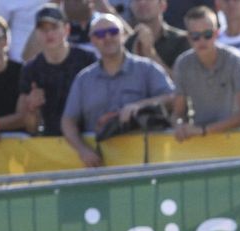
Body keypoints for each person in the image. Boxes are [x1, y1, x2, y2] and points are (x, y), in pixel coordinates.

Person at [60, 13, 174, 165]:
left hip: (143, 166)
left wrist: (139, 106)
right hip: (99, 167)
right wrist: (83, 150)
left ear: (123, 35)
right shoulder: (84, 79)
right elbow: (68, 120)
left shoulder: (147, 69)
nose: (107, 37)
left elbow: (172, 98)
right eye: (100, 34)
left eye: (113, 32)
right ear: (92, 40)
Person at [170, 6, 240, 138]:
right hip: (200, 141)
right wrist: (179, 125)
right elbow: (178, 113)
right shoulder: (182, 64)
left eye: (207, 34)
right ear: (188, 38)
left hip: (236, 138)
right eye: (195, 36)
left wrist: (204, 130)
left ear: (217, 33)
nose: (202, 41)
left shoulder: (234, 60)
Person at [17, 4, 96, 134]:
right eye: (43, 29)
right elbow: (30, 128)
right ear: (36, 33)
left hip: (87, 137)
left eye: (54, 27)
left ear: (67, 29)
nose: (49, 33)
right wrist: (31, 109)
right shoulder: (30, 70)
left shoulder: (87, 60)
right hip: (50, 145)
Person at [125, 0, 190, 74]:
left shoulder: (182, 40)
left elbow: (180, 82)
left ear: (162, 5)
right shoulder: (127, 43)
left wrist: (149, 53)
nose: (142, 2)